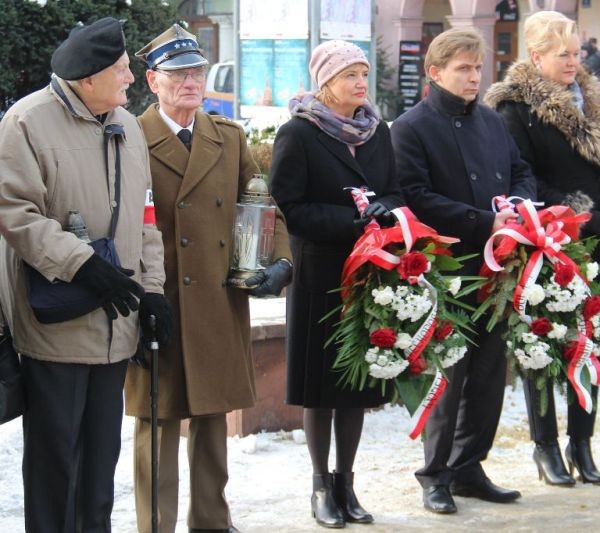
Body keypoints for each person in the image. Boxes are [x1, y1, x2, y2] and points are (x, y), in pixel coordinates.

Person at [0, 18, 169, 531]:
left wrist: (154, 294)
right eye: (121, 71)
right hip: (56, 325)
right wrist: (82, 264)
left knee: (100, 470)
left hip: (116, 326)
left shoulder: (126, 125)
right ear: (88, 78)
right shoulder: (25, 122)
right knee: (56, 469)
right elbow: (15, 213)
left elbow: (145, 216)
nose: (131, 80)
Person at [123, 25, 293, 533]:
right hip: (162, 299)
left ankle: (212, 523)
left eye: (196, 72)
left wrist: (280, 261)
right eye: (178, 74)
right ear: (153, 81)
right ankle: (156, 526)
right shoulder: (130, 137)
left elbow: (262, 205)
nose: (190, 82)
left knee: (213, 418)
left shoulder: (228, 136)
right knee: (158, 424)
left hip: (219, 301)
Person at [485, 10, 600, 487]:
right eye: (562, 54)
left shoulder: (593, 98)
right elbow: (523, 174)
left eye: (577, 53)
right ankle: (546, 448)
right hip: (551, 240)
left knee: (590, 340)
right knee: (545, 338)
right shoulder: (514, 107)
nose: (573, 62)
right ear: (536, 56)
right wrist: (574, 213)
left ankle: (583, 444)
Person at [391, 28, 536, 514]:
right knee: (448, 374)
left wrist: (518, 207)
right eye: (463, 68)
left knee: (490, 372)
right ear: (435, 73)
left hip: (497, 266)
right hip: (448, 267)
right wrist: (482, 221)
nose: (475, 76)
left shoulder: (493, 122)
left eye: (478, 68)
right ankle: (435, 474)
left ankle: (470, 465)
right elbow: (415, 195)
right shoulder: (411, 127)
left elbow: (521, 170)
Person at [270, 40, 403, 528]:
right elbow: (292, 206)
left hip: (370, 274)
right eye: (350, 75)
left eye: (363, 74)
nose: (360, 84)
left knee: (357, 386)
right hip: (321, 275)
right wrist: (353, 220)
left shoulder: (376, 131)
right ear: (326, 81)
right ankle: (320, 486)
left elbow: (395, 186)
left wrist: (384, 212)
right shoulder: (298, 134)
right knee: (321, 388)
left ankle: (347, 483)